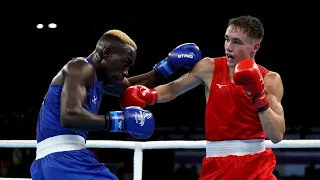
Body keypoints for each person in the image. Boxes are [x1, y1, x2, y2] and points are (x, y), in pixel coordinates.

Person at [119, 15, 285, 180]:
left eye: (236, 42)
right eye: (227, 39)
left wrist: (258, 97)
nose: (228, 47)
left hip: (257, 167)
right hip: (216, 165)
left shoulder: (270, 79)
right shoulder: (209, 67)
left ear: (255, 46)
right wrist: (148, 96)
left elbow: (276, 135)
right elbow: (173, 88)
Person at [30, 29, 202, 180]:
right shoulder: (80, 67)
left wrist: (169, 65)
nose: (126, 71)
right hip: (66, 160)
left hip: (47, 164)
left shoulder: (97, 79)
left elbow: (132, 88)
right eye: (125, 63)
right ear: (106, 52)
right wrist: (119, 121)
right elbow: (70, 115)